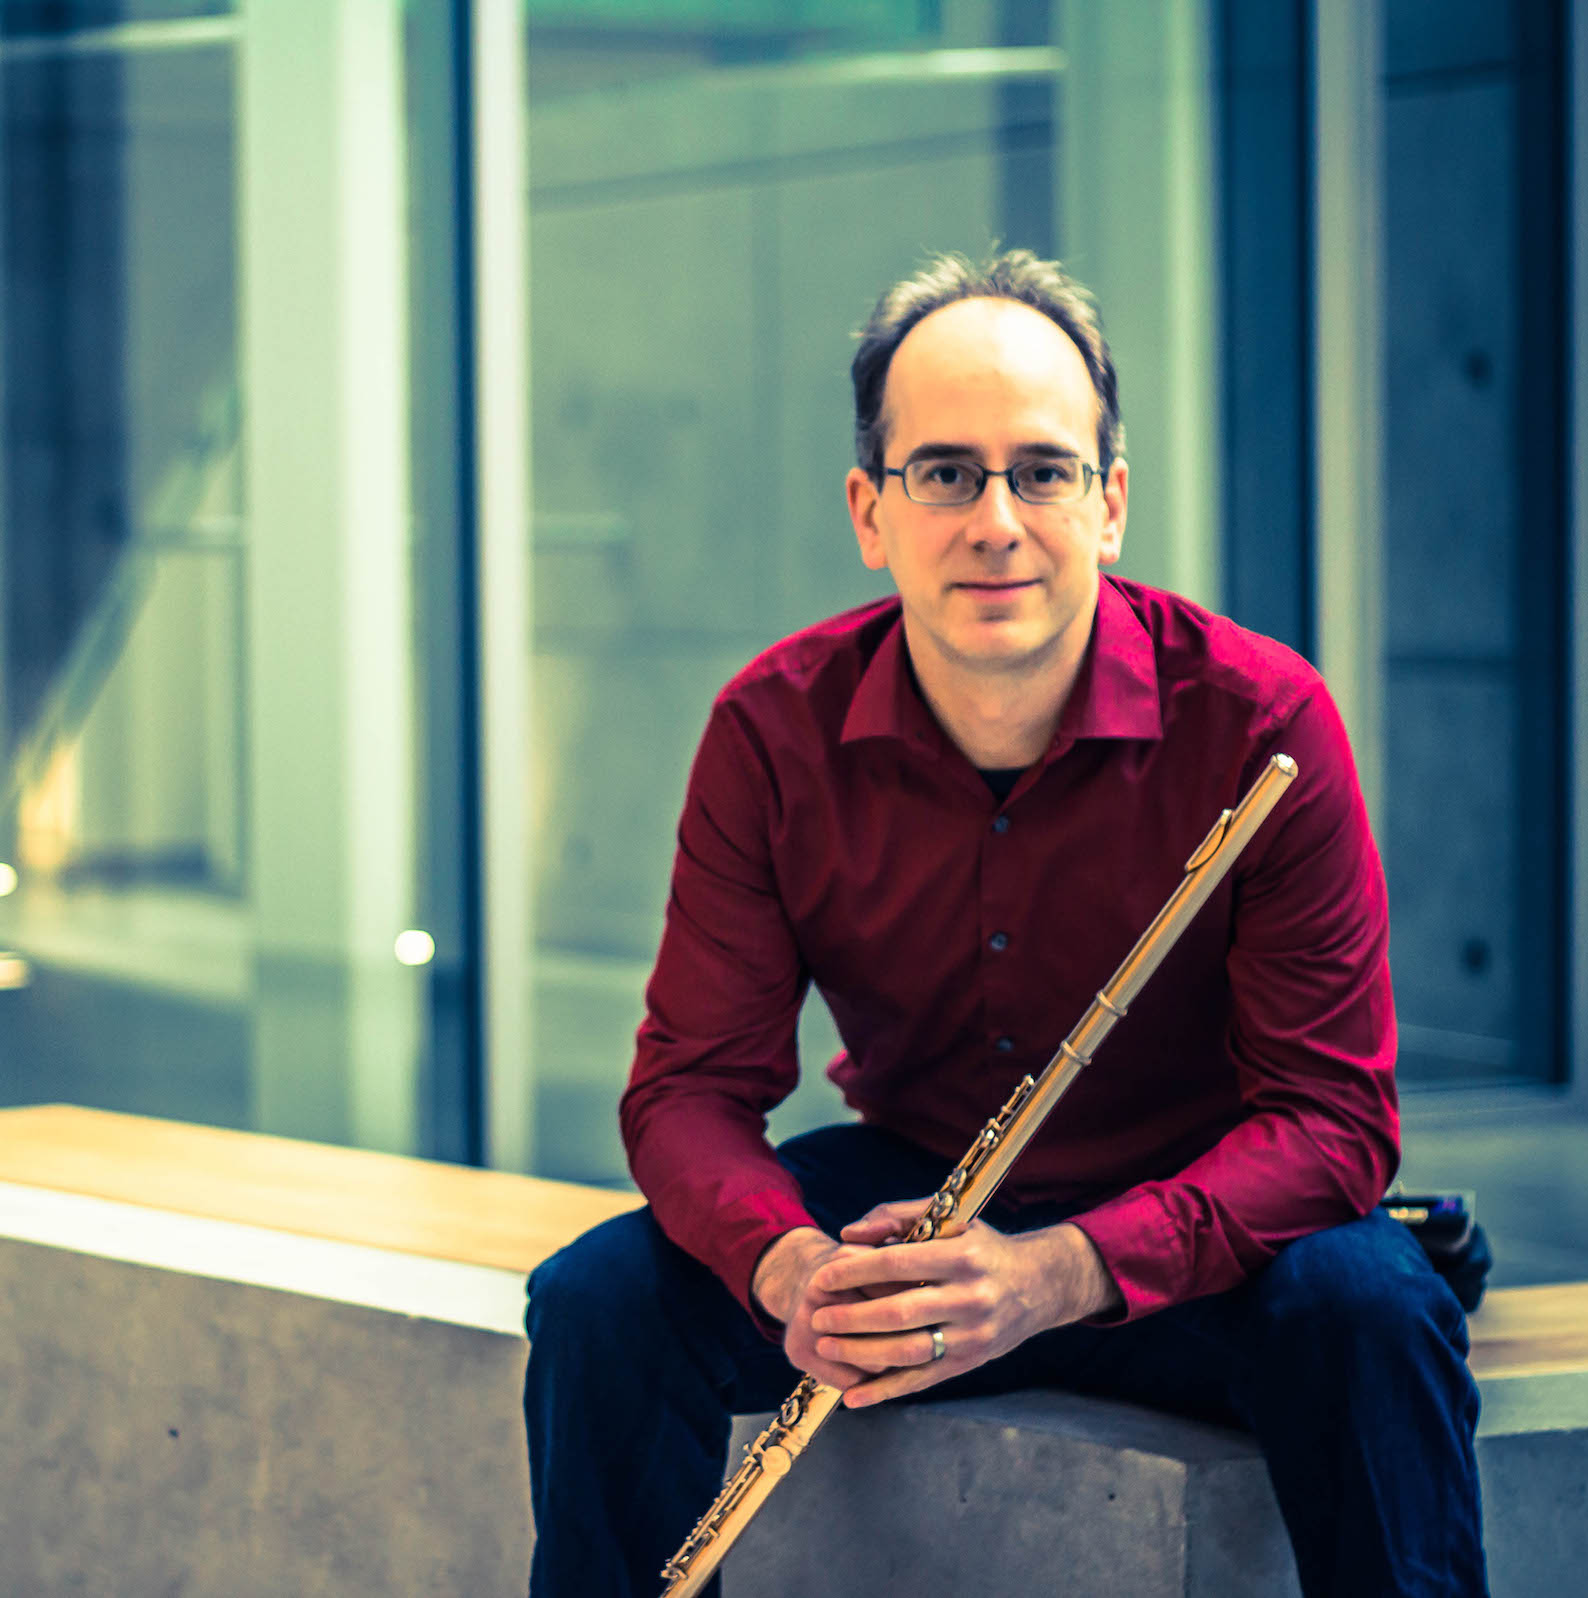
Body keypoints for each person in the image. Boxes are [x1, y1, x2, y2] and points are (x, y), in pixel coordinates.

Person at [523, 250, 1488, 1598]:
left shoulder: (1260, 722)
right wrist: (791, 1262)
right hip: (908, 1206)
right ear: (870, 510)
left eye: (1041, 470)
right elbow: (687, 1090)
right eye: (943, 473)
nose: (994, 520)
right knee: (599, 1305)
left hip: (1188, 1226)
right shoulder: (771, 728)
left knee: (1373, 1307)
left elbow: (1333, 1120)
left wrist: (1055, 1272)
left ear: (1107, 506)